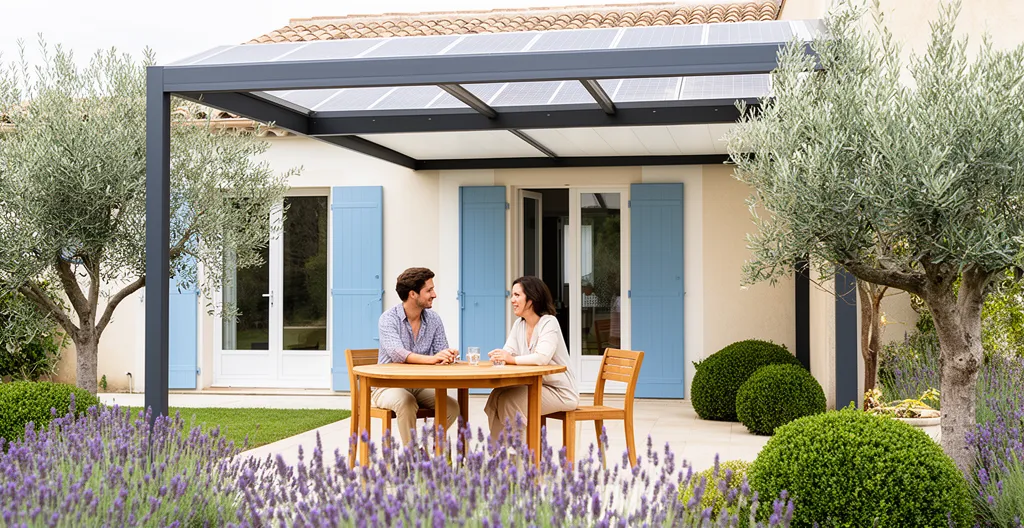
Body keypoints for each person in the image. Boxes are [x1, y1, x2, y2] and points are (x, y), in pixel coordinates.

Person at [485, 276, 579, 443]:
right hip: (536, 385)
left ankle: (519, 458)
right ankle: (498, 452)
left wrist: (511, 359)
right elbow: (509, 351)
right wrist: (500, 356)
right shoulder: (519, 325)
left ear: (532, 299)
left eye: (517, 295)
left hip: (560, 392)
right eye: (512, 295)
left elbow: (541, 358)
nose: (512, 300)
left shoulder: (549, 323)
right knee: (496, 395)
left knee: (510, 401)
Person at [376, 267, 460, 446]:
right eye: (429, 290)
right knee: (405, 402)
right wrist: (433, 359)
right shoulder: (388, 319)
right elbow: (398, 353)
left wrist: (447, 355)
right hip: (387, 386)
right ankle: (411, 457)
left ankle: (426, 448)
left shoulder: (434, 319)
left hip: (418, 385)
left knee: (452, 407)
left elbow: (440, 350)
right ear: (413, 294)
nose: (434, 294)